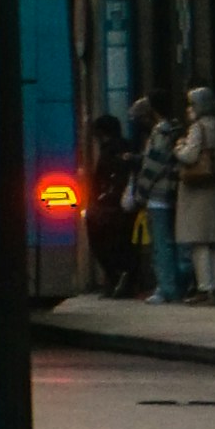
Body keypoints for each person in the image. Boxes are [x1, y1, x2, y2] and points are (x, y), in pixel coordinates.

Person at [175, 84, 215, 301]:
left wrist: (178, 147)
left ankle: (205, 287)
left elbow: (190, 156)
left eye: (191, 104)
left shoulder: (198, 128)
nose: (189, 109)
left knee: (198, 240)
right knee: (212, 241)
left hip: (198, 190)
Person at [137, 94, 187, 301]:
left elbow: (153, 165)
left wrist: (141, 191)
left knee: (161, 245)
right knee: (174, 243)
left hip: (158, 194)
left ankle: (167, 289)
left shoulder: (160, 132)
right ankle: (177, 286)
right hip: (172, 192)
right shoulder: (175, 129)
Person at [84, 111, 136, 297]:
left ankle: (116, 277)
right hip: (123, 204)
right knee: (122, 244)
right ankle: (122, 278)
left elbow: (105, 178)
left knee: (103, 244)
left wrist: (98, 198)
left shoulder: (109, 151)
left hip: (108, 206)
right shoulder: (127, 146)